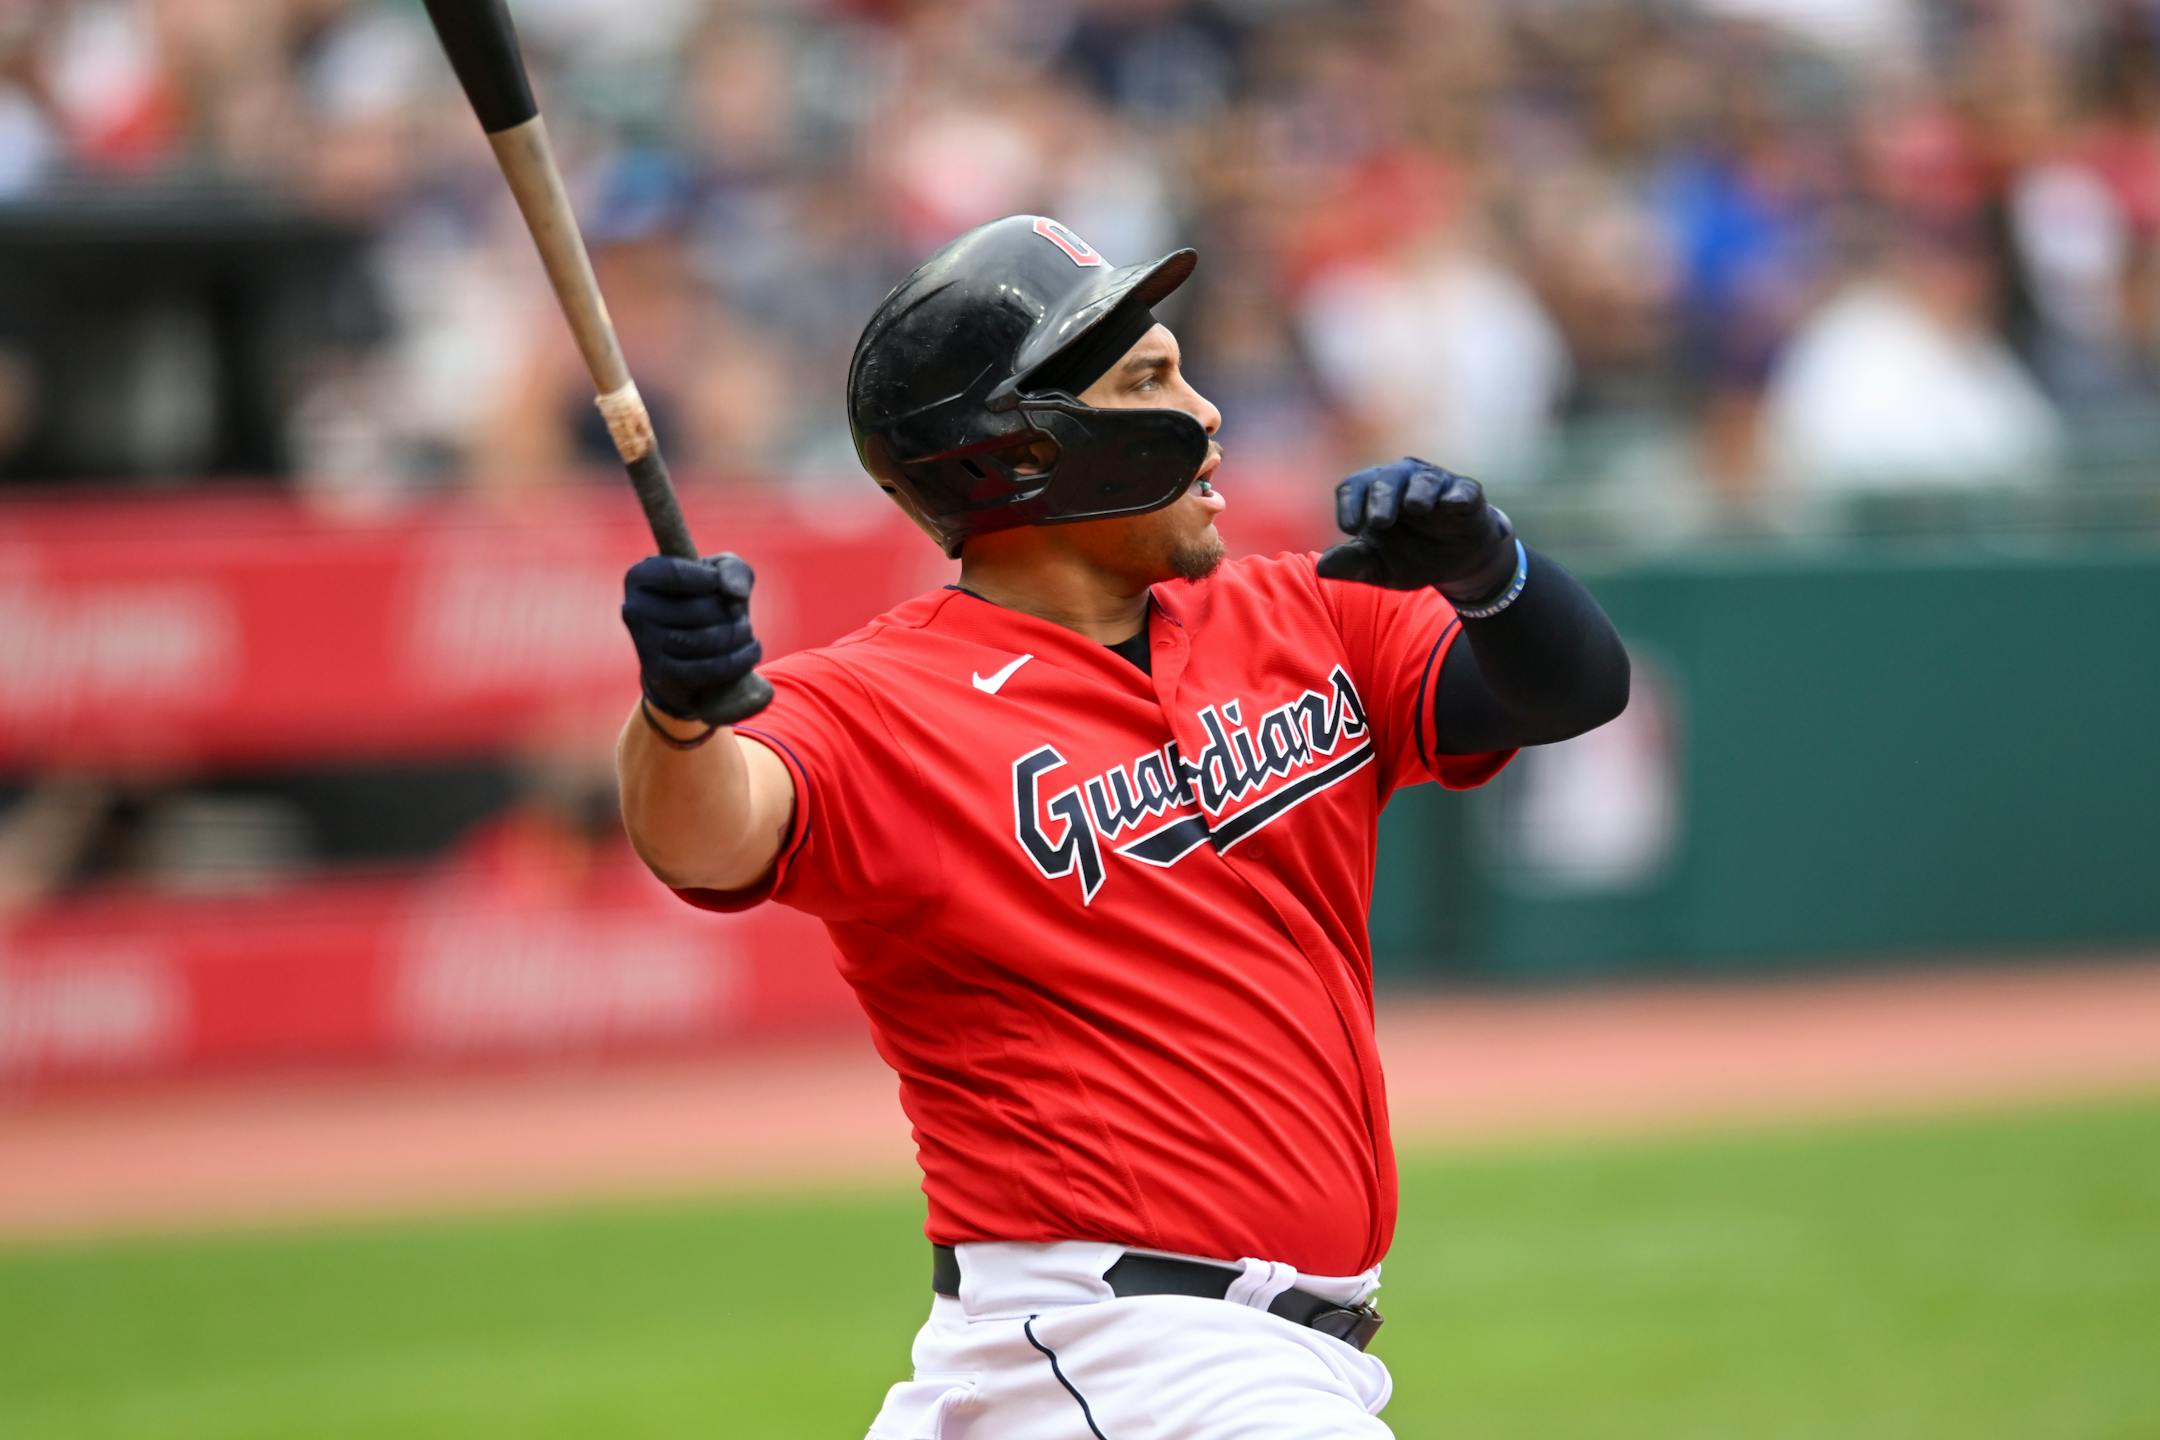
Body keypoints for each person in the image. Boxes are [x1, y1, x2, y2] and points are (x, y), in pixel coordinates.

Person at [614, 214, 1630, 1438]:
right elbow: (710, 834)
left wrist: (1489, 566)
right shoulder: (884, 701)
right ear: (1026, 452)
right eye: (1149, 381)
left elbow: (1570, 689)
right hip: (1129, 1345)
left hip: (1195, 1365)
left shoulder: (1304, 613)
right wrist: (677, 715)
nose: (1206, 415)